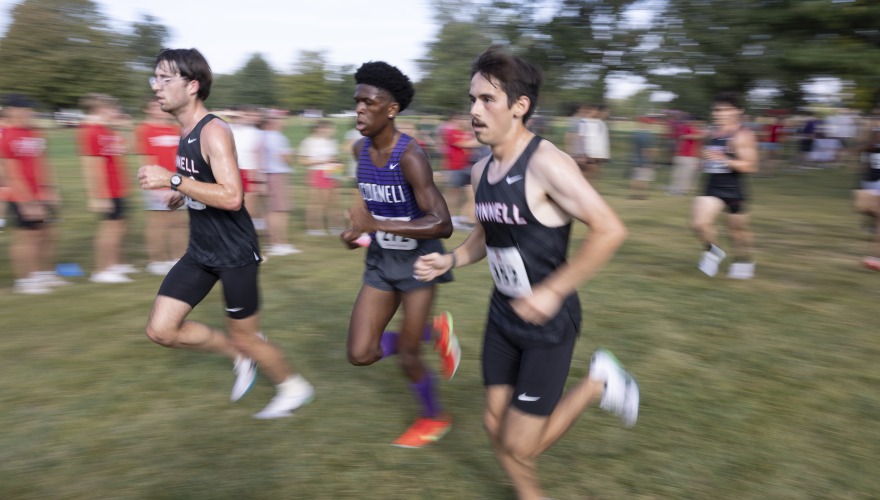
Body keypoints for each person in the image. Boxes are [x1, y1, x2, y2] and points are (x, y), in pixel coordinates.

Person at [414, 46, 638, 499]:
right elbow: (485, 236)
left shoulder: (547, 163)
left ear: (520, 107)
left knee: (520, 445)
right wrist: (451, 259)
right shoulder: (480, 172)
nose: (474, 111)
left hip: (549, 323)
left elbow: (611, 229)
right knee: (495, 427)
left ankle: (598, 382)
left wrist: (553, 292)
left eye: (487, 100)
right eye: (472, 99)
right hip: (503, 315)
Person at [137, 48, 314, 419]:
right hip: (201, 250)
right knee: (161, 330)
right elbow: (204, 185)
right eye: (155, 78)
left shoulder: (213, 131)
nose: (157, 87)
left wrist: (174, 179)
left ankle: (294, 388)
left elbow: (233, 197)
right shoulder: (185, 132)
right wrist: (179, 193)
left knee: (248, 334)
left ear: (192, 85)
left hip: (234, 252)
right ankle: (239, 357)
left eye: (166, 79)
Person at [340, 60, 461, 448]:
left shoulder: (411, 155)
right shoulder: (359, 149)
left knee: (408, 355)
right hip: (380, 262)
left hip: (418, 265)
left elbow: (442, 222)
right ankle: (433, 331)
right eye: (356, 101)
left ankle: (433, 416)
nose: (359, 109)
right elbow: (372, 212)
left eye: (368, 102)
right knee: (360, 353)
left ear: (391, 109)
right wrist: (357, 232)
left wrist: (378, 227)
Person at [0, 94, 66, 294]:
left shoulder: (34, 133)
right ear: (11, 110)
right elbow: (11, 173)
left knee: (46, 233)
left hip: (40, 192)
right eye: (23, 109)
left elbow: (43, 162)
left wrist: (50, 189)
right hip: (20, 195)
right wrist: (27, 201)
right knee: (27, 236)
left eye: (29, 109)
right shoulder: (7, 135)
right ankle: (25, 278)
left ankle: (43, 273)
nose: (28, 113)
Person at [691, 92, 759, 279]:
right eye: (717, 110)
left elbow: (751, 166)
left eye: (726, 109)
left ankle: (744, 259)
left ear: (738, 111)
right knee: (699, 224)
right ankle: (713, 251)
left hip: (734, 188)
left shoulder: (742, 135)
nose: (720, 113)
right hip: (712, 187)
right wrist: (704, 161)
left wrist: (724, 159)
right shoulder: (712, 133)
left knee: (738, 231)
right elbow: (711, 159)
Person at [79, 93, 137, 283]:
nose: (117, 112)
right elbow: (90, 166)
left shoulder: (108, 130)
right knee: (109, 230)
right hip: (107, 190)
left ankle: (113, 264)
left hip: (118, 188)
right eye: (113, 109)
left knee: (119, 227)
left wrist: (125, 129)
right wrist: (97, 196)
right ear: (100, 110)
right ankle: (102, 270)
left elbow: (126, 149)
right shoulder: (91, 131)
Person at [136, 100, 188, 275]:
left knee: (179, 222)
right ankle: (157, 261)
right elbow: (144, 158)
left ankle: (177, 258)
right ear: (147, 110)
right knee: (159, 222)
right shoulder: (144, 129)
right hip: (158, 182)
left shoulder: (176, 129)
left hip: (178, 181)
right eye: (155, 107)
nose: (161, 111)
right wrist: (154, 184)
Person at [259, 109, 301, 256]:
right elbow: (286, 159)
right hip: (278, 175)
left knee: (269, 211)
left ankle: (272, 243)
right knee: (280, 211)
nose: (284, 122)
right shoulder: (278, 137)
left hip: (265, 175)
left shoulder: (261, 135)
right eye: (281, 119)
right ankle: (280, 244)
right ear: (273, 121)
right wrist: (292, 155)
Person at [300, 120, 344, 235]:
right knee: (317, 202)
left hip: (332, 172)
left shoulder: (332, 142)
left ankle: (336, 226)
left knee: (334, 202)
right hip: (316, 172)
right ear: (317, 129)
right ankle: (314, 228)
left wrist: (338, 170)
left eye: (330, 128)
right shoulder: (309, 142)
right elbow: (302, 161)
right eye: (325, 128)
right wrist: (321, 161)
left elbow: (335, 158)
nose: (329, 131)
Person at [440, 113, 481, 230]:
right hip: (455, 168)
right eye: (460, 119)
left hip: (468, 168)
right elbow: (464, 144)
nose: (464, 122)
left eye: (466, 119)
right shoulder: (452, 132)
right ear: (455, 120)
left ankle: (466, 219)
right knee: (452, 195)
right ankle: (446, 217)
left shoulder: (468, 133)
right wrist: (483, 139)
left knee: (472, 195)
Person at [855, 129, 880, 270]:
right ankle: (873, 257)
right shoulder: (870, 149)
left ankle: (873, 257)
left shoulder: (868, 149)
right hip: (873, 183)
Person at [668, 114, 704, 195]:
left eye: (701, 122)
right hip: (683, 154)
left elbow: (699, 145)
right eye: (698, 122)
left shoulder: (699, 131)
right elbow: (682, 136)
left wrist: (699, 157)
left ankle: (682, 190)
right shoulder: (686, 127)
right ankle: (674, 190)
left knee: (687, 175)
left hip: (693, 156)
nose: (699, 124)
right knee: (678, 174)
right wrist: (697, 136)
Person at [628, 116, 657, 200]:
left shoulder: (635, 134)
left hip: (636, 158)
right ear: (646, 124)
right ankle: (642, 195)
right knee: (644, 179)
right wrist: (651, 160)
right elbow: (648, 149)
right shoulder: (649, 135)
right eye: (649, 123)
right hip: (645, 159)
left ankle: (632, 194)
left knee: (635, 178)